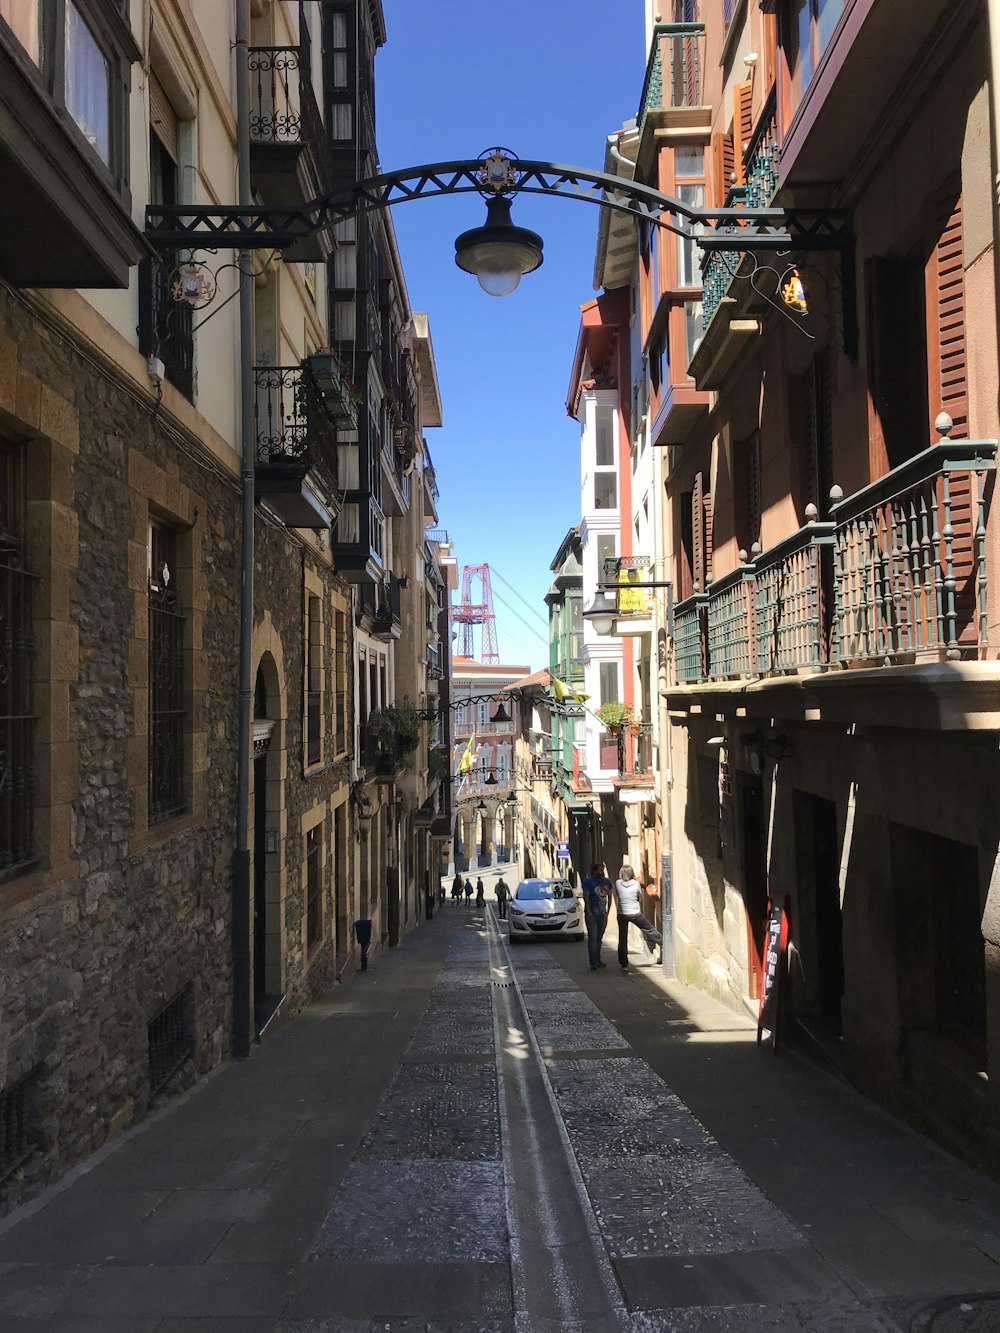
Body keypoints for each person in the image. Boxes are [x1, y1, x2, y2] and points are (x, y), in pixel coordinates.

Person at [614, 863, 662, 972]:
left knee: (622, 938)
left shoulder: (617, 883)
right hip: (634, 912)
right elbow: (639, 897)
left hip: (622, 913)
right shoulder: (636, 884)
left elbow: (618, 894)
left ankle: (624, 964)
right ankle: (664, 944)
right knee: (649, 929)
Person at [580, 862, 613, 970]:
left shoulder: (607, 882)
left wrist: (608, 911)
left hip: (603, 914)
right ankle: (593, 961)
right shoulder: (588, 881)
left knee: (599, 938)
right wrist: (588, 911)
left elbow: (610, 896)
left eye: (602, 870)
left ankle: (598, 959)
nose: (601, 872)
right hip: (592, 914)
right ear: (594, 871)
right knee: (593, 938)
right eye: (599, 870)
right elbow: (586, 897)